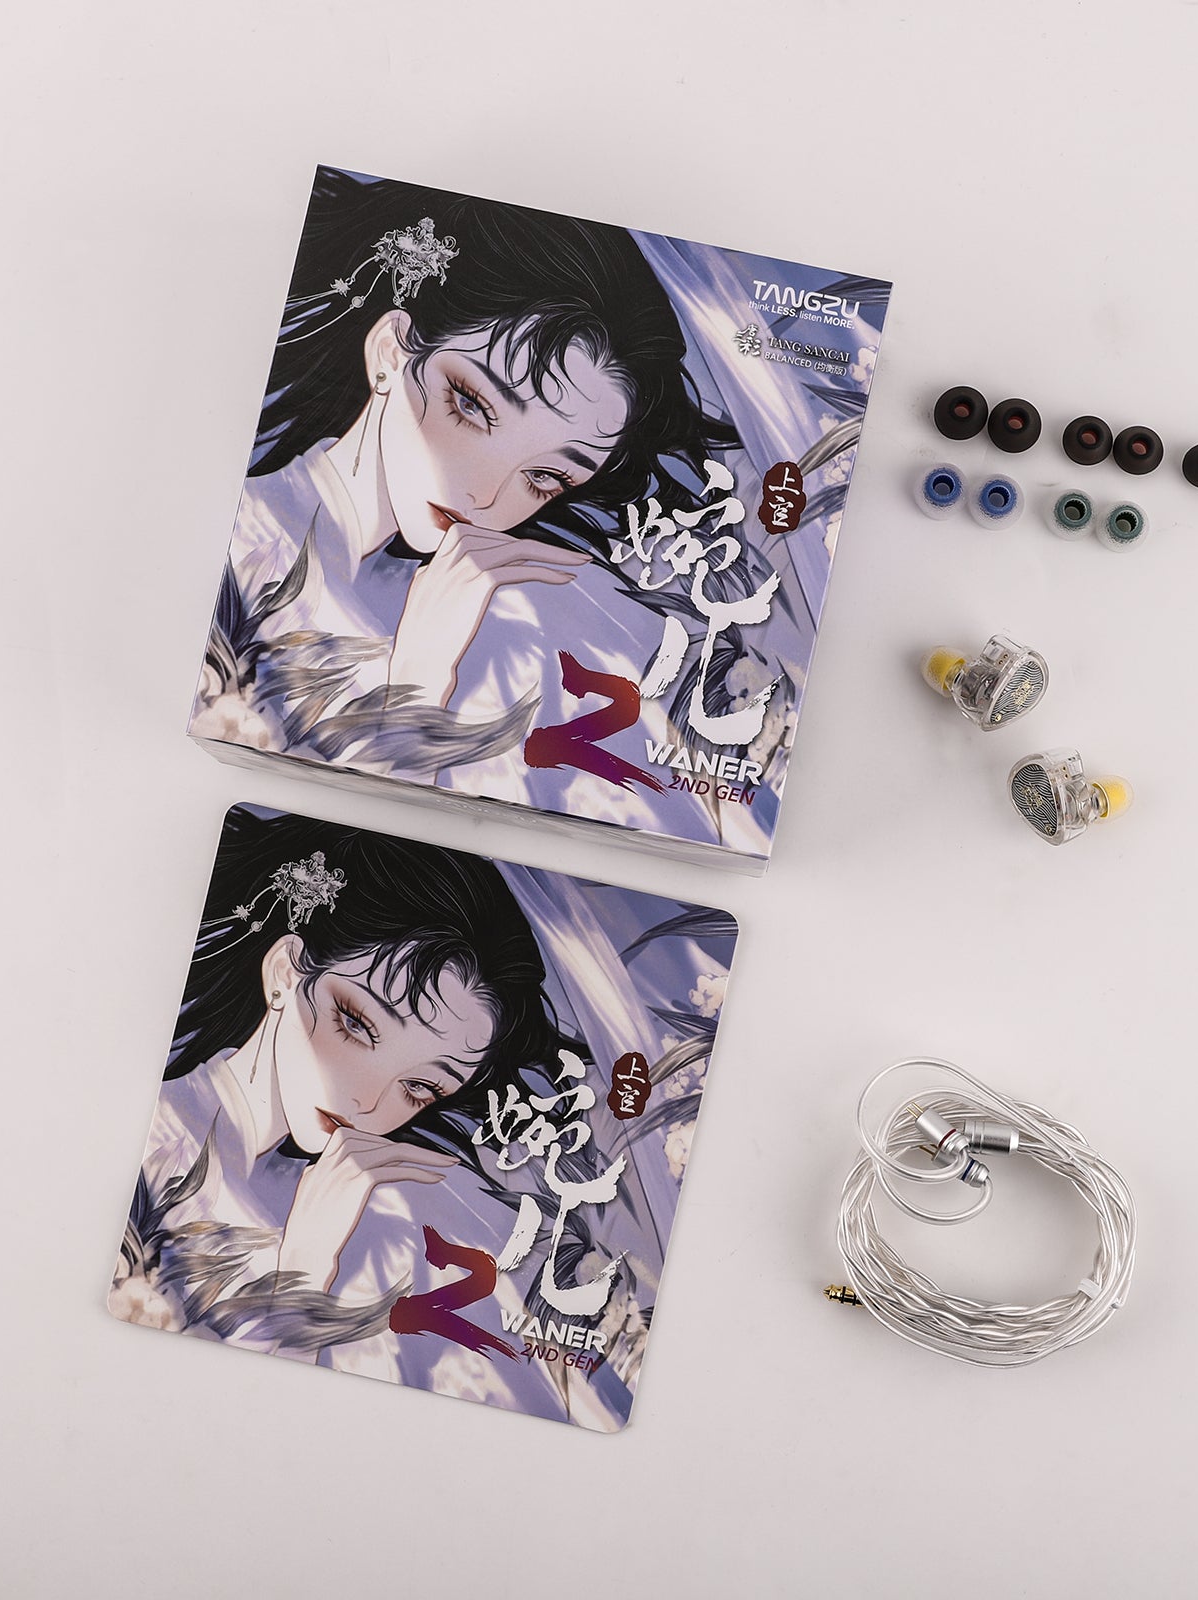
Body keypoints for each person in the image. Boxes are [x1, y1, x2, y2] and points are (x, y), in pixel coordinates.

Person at [192, 167, 764, 845]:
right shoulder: (241, 548)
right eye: (471, 405)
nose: (485, 497)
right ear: (390, 351)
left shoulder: (480, 609)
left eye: (545, 477)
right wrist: (420, 672)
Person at [108, 806, 571, 1368]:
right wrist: (305, 1263)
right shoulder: (150, 1139)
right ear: (286, 971)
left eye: (419, 1087)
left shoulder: (344, 1206)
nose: (366, 1103)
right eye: (355, 1024)